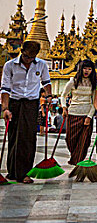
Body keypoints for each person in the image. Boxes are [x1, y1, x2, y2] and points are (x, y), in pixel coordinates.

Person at [1, 41, 52, 184]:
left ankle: (24, 173)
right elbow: (5, 89)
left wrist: (48, 95)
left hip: (31, 103)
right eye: (27, 56)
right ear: (21, 51)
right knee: (13, 137)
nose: (29, 60)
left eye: (32, 57)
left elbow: (46, 82)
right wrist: (5, 109)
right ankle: (12, 172)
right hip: (15, 102)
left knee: (28, 138)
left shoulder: (41, 65)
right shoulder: (10, 66)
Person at [61, 59, 97, 166]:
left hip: (86, 114)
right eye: (85, 68)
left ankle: (78, 162)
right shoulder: (73, 81)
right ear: (80, 69)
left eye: (89, 69)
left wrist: (89, 116)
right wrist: (64, 107)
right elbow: (63, 95)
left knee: (84, 141)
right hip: (73, 113)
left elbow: (94, 102)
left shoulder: (94, 83)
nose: (87, 71)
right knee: (70, 139)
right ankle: (75, 157)